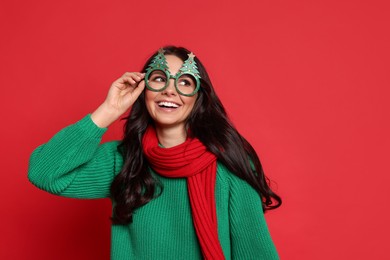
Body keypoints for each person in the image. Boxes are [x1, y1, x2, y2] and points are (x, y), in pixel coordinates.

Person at [28, 46, 282, 260]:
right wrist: (107, 111)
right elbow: (43, 173)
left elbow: (256, 252)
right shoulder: (122, 161)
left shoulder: (228, 162)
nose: (170, 90)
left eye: (184, 82)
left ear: (198, 97)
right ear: (143, 89)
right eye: (160, 78)